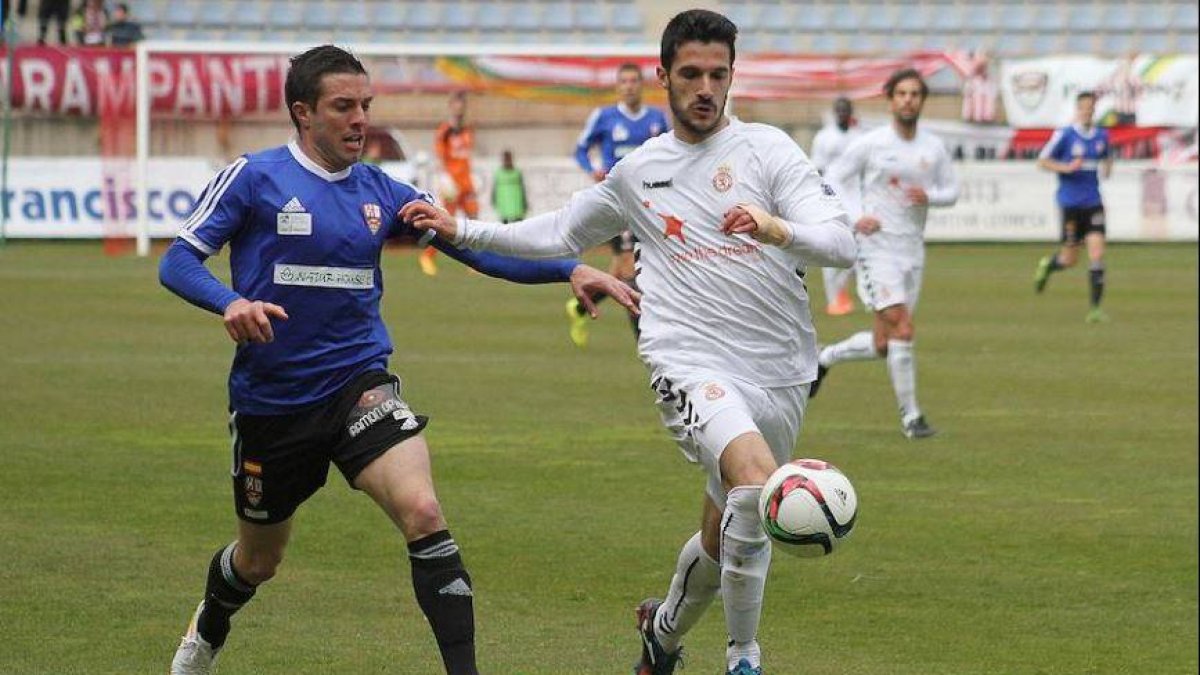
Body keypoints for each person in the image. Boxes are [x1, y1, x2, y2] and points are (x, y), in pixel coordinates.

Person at [158, 45, 638, 675]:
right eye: (343, 107)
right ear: (303, 113)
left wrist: (570, 268)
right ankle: (209, 627)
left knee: (424, 511)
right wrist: (231, 304)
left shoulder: (384, 191)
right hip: (272, 403)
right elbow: (178, 260)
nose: (360, 119)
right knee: (258, 561)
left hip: (359, 383)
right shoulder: (254, 177)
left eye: (366, 105)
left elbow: (474, 249)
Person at [401, 11, 856, 675]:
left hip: (781, 371)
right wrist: (461, 228)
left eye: (718, 74)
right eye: (691, 73)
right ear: (662, 76)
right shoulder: (640, 171)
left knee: (721, 530)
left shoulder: (769, 151)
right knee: (757, 487)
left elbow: (841, 239)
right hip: (689, 361)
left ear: (732, 77)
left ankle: (663, 634)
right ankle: (744, 657)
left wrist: (776, 227)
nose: (705, 87)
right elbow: (558, 232)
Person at [813, 68, 959, 440]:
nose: (908, 100)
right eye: (902, 94)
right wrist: (855, 216)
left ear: (922, 100)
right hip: (876, 249)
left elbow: (951, 191)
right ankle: (912, 418)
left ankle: (823, 358)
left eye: (915, 94)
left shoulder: (933, 147)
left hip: (912, 249)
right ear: (891, 99)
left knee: (884, 343)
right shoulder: (872, 143)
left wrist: (932, 198)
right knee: (904, 327)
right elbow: (833, 178)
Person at [566, 62, 669, 347]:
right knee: (629, 268)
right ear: (617, 86)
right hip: (617, 203)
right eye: (624, 81)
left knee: (623, 269)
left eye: (634, 81)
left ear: (641, 85)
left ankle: (579, 306)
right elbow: (580, 149)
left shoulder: (657, 119)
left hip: (650, 202)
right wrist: (594, 169)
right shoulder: (605, 116)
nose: (629, 86)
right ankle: (645, 338)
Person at [1032, 91, 1113, 323]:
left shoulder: (1102, 136)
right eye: (1084, 107)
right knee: (1070, 259)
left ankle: (1095, 310)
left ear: (1094, 110)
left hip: (1094, 203)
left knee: (1097, 254)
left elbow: (1107, 158)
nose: (1087, 111)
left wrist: (1108, 167)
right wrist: (1066, 168)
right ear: (1078, 110)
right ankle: (1049, 265)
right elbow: (1042, 160)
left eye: (1091, 107)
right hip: (1070, 204)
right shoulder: (1065, 135)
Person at [809, 96, 861, 316]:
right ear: (834, 112)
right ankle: (835, 299)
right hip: (832, 197)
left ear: (851, 113)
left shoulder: (859, 138)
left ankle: (852, 292)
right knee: (833, 246)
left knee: (860, 246)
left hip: (855, 196)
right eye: (838, 110)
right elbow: (817, 170)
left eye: (845, 110)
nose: (842, 113)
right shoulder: (824, 137)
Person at [420, 90, 478, 277]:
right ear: (451, 106)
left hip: (466, 181)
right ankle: (427, 256)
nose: (460, 108)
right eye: (456, 104)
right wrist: (445, 179)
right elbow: (441, 158)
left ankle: (474, 262)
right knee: (445, 224)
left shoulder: (468, 130)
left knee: (474, 219)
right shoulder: (444, 131)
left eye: (463, 105)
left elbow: (465, 157)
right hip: (452, 184)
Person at [491, 149, 528, 224]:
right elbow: (494, 189)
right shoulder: (499, 173)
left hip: (517, 205)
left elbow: (522, 188)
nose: (507, 161)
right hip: (504, 205)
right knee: (505, 226)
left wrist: (525, 203)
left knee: (518, 224)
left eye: (508, 159)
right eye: (505, 159)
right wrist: (493, 199)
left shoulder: (517, 172)